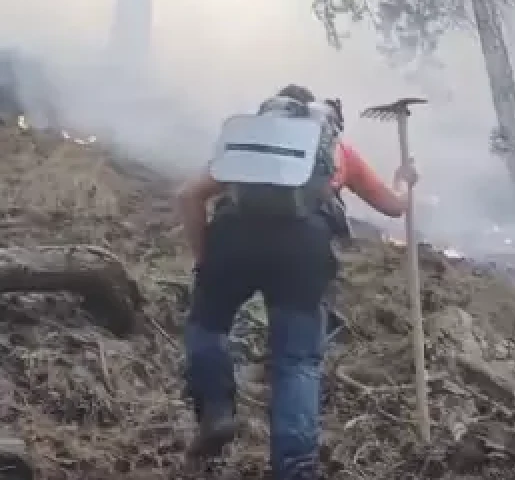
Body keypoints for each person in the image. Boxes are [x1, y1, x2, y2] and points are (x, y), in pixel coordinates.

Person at [176, 84, 417, 479]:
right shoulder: (337, 150)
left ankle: (216, 410)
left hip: (233, 240)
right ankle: (295, 467)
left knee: (208, 327)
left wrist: (205, 261)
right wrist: (404, 180)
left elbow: (188, 195)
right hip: (302, 251)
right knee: (297, 362)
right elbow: (394, 206)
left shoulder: (250, 143)